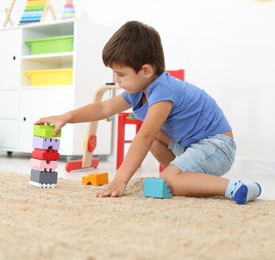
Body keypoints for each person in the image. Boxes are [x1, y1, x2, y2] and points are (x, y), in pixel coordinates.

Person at [35, 21, 261, 204]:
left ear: (145, 70)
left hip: (217, 146)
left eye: (121, 74)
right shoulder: (138, 90)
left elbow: (143, 136)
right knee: (154, 142)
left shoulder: (163, 90)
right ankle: (186, 177)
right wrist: (66, 117)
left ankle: (235, 188)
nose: (116, 80)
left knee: (167, 178)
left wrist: (119, 181)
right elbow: (103, 107)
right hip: (192, 146)